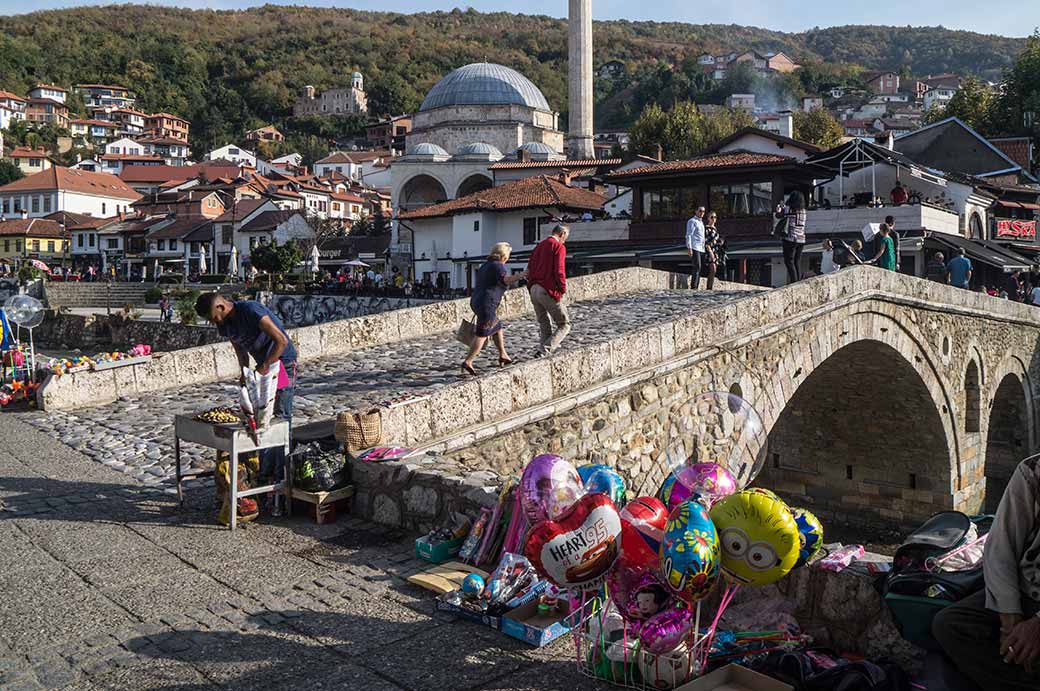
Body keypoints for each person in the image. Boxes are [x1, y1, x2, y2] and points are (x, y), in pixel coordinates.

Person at [933, 454, 1040, 690]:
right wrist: (1010, 619)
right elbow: (1001, 548)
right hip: (1027, 589)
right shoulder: (1032, 472)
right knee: (950, 625)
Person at [194, 293, 298, 515]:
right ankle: (263, 475)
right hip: (263, 366)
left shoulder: (251, 310)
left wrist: (266, 365)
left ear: (221, 306)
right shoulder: (225, 325)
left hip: (283, 364)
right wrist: (243, 371)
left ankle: (281, 478)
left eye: (215, 317)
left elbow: (281, 340)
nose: (216, 323)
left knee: (281, 419)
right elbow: (239, 348)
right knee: (260, 420)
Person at [461, 243, 527, 375]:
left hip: (477, 300)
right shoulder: (498, 266)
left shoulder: (485, 265)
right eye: (508, 255)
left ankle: (503, 354)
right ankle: (468, 361)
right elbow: (505, 280)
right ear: (503, 255)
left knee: (497, 326)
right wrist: (521, 275)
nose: (508, 258)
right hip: (487, 304)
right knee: (482, 333)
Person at [526, 224, 571, 357]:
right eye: (565, 237)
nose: (565, 240)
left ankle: (541, 350)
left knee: (544, 321)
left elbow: (529, 268)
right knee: (564, 324)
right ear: (562, 234)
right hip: (547, 289)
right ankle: (545, 350)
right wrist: (562, 289)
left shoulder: (538, 246)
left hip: (534, 289)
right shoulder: (558, 247)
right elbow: (559, 270)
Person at [778, 191, 807, 284]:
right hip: (801, 239)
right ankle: (798, 282)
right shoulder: (804, 211)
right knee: (797, 261)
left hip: (790, 238)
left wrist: (780, 208)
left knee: (789, 261)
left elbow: (778, 215)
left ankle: (794, 282)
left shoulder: (789, 209)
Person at [685, 206, 706, 290]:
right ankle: (694, 286)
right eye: (700, 211)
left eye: (703, 211)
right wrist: (689, 248)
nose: (702, 213)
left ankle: (696, 285)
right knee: (697, 266)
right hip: (695, 247)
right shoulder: (692, 221)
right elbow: (689, 235)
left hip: (701, 248)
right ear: (696, 211)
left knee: (700, 267)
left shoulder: (701, 222)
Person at [703, 211, 724, 289]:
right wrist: (710, 252)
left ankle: (710, 287)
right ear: (708, 218)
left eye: (715, 217)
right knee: (713, 268)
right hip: (709, 250)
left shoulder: (715, 229)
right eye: (712, 217)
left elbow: (716, 239)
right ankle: (709, 287)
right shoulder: (706, 228)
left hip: (716, 250)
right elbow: (706, 242)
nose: (713, 219)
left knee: (715, 268)